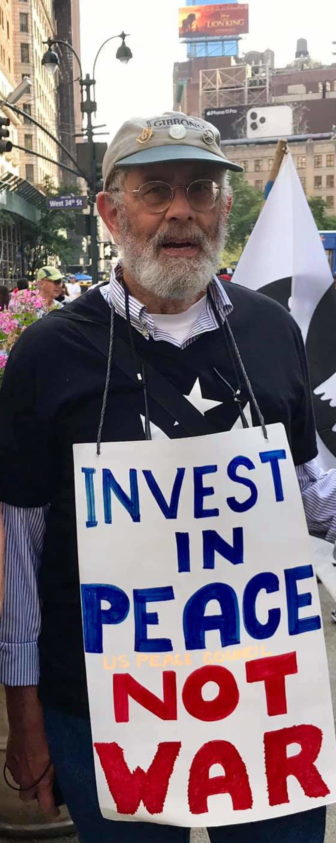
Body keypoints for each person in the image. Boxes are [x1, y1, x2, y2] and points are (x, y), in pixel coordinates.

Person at [0, 111, 336, 843]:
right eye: (156, 190)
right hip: (103, 710)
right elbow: (21, 554)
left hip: (266, 706)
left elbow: (316, 492)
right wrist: (24, 712)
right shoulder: (46, 356)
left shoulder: (272, 332)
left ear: (224, 205)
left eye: (202, 189)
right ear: (111, 211)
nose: (182, 210)